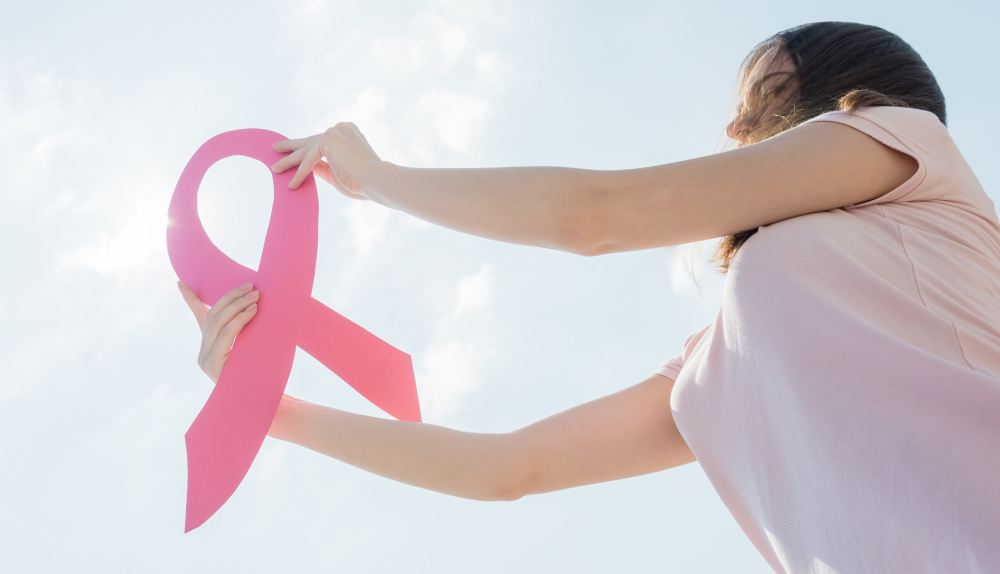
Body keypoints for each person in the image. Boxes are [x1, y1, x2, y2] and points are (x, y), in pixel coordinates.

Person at [178, 21, 1000, 573]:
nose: (736, 128)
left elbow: (592, 217)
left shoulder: (910, 147)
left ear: (849, 90)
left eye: (768, 95)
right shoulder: (717, 368)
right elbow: (505, 467)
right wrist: (261, 405)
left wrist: (377, 178)